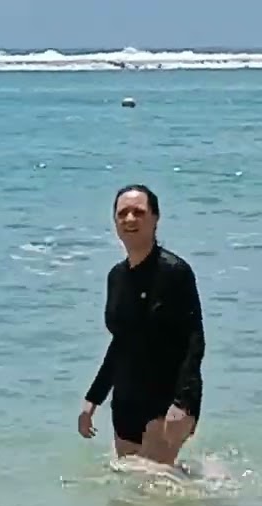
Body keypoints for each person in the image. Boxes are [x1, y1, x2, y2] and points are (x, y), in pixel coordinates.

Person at [78, 184, 206, 466]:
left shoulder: (174, 272)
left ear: (155, 218)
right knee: (133, 480)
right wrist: (93, 399)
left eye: (139, 212)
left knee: (154, 476)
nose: (129, 219)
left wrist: (183, 403)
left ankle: (223, 488)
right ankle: (208, 483)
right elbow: (120, 343)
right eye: (122, 213)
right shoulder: (116, 277)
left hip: (167, 397)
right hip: (127, 401)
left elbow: (194, 341)